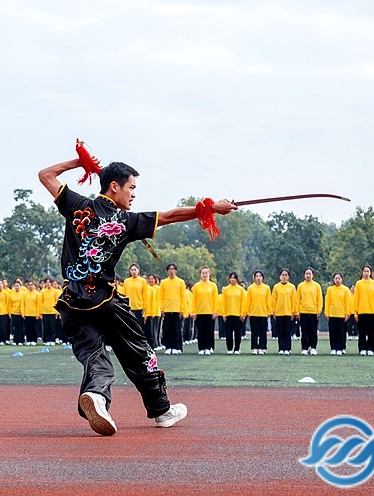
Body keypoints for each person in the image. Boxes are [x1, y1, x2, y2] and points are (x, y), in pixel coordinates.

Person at [39, 152, 237, 436]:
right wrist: (210, 208)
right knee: (138, 351)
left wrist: (78, 163)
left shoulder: (76, 205)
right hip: (105, 300)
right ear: (114, 187)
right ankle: (162, 409)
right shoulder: (126, 221)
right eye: (131, 187)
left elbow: (45, 175)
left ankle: (96, 395)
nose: (133, 195)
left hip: (71, 301)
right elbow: (169, 216)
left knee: (94, 354)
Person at [159, 264, 188, 355]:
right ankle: (169, 346)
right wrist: (161, 309)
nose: (171, 271)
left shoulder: (180, 282)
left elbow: (183, 297)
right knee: (167, 329)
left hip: (177, 309)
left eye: (173, 269)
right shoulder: (164, 282)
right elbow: (161, 297)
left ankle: (177, 347)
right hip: (167, 309)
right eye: (169, 269)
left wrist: (182, 309)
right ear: (167, 271)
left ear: (176, 270)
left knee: (177, 329)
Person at [352, 265, 374, 356]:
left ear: (371, 273)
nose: (366, 273)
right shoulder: (359, 283)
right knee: (362, 331)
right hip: (361, 311)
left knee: (371, 332)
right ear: (362, 273)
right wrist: (355, 312)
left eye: (368, 271)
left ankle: (370, 348)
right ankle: (362, 348)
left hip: (371, 311)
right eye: (365, 271)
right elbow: (356, 298)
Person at [191, 267, 219, 355]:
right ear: (200, 274)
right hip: (199, 312)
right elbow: (193, 300)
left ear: (209, 274)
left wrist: (215, 311)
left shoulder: (213, 286)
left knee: (209, 331)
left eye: (206, 273)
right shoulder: (196, 286)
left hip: (209, 312)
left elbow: (215, 299)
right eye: (203, 273)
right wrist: (193, 312)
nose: (204, 275)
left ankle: (208, 347)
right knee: (201, 331)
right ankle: (201, 348)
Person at [296, 268, 323, 355]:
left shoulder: (316, 286)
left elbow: (319, 299)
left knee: (313, 331)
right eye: (306, 274)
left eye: (309, 274)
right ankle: (304, 347)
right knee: (304, 331)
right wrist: (297, 312)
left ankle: (313, 347)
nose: (308, 275)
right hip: (303, 311)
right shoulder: (300, 286)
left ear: (312, 275)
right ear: (304, 275)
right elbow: (297, 300)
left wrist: (319, 311)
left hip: (314, 311)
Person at [271, 269, 298, 355]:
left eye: (286, 275)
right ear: (280, 276)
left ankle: (287, 348)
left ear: (288, 277)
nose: (284, 277)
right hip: (279, 313)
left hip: (288, 312)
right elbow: (273, 300)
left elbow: (294, 300)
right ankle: (281, 348)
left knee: (287, 331)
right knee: (280, 331)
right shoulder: (276, 287)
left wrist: (294, 312)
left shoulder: (292, 287)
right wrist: (273, 312)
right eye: (282, 275)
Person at [244, 270, 271, 355]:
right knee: (254, 332)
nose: (258, 278)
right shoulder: (250, 288)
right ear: (254, 278)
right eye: (256, 276)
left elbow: (268, 301)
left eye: (260, 276)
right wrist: (247, 312)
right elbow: (248, 301)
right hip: (253, 313)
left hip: (263, 313)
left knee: (263, 332)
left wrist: (269, 312)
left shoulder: (266, 288)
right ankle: (254, 347)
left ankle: (262, 347)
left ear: (262, 278)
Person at [219, 272, 246, 355]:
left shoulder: (241, 290)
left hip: (238, 315)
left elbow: (243, 303)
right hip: (228, 314)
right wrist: (223, 314)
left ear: (237, 279)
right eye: (231, 278)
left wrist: (242, 313)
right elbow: (223, 303)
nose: (232, 280)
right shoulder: (226, 290)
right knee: (228, 332)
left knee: (238, 333)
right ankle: (230, 348)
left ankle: (237, 348)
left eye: (234, 278)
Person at [324, 273, 351, 355]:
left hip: (342, 314)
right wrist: (326, 313)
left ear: (342, 279)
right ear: (333, 279)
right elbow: (327, 302)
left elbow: (348, 302)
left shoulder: (345, 290)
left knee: (341, 332)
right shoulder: (330, 289)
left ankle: (340, 348)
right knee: (332, 332)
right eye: (336, 278)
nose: (337, 280)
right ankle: (333, 348)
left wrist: (347, 313)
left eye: (339, 278)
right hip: (332, 314)